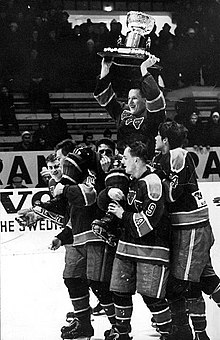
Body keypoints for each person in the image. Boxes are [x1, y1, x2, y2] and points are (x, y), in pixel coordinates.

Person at [100, 141, 173, 340]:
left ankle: (169, 333)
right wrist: (108, 192)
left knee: (152, 297)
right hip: (126, 248)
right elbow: (103, 202)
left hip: (152, 248)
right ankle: (122, 334)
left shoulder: (153, 182)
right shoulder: (130, 179)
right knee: (119, 292)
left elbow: (146, 225)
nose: (122, 161)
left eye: (125, 158)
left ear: (137, 160)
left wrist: (122, 214)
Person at [153, 121, 220, 340]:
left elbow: (173, 194)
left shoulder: (177, 154)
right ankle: (196, 333)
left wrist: (157, 178)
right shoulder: (170, 156)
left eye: (157, 136)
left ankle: (185, 333)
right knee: (204, 279)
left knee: (181, 285)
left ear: (165, 140)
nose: (154, 139)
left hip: (191, 228)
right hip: (191, 227)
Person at [94, 55, 166, 158]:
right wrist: (105, 67)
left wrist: (144, 68)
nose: (130, 102)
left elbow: (154, 94)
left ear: (145, 100)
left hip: (144, 162)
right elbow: (103, 96)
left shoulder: (153, 114)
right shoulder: (122, 110)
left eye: (134, 98)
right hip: (123, 161)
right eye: (129, 99)